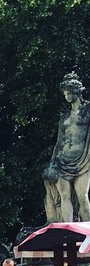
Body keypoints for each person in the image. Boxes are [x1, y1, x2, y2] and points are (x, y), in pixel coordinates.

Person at [44, 72, 90, 224]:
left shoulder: (87, 110)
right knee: (64, 196)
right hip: (62, 161)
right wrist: (52, 163)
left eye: (69, 93)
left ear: (77, 92)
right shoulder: (64, 115)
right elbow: (59, 142)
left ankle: (88, 232)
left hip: (83, 161)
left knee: (82, 196)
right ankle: (67, 229)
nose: (66, 96)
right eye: (65, 93)